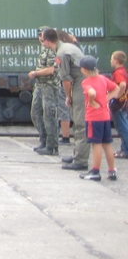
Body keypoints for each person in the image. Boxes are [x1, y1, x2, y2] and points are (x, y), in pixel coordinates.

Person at [41, 28, 89, 171]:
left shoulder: (61, 53)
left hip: (81, 84)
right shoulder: (68, 47)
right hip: (83, 81)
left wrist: (68, 96)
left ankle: (81, 161)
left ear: (47, 41)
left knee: (80, 123)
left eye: (42, 40)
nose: (42, 42)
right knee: (77, 121)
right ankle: (77, 155)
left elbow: (66, 80)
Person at [78, 55, 120, 181]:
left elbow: (91, 93)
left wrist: (91, 101)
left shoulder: (86, 82)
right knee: (107, 144)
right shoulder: (103, 78)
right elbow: (117, 89)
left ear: (84, 70)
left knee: (96, 144)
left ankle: (95, 171)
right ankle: (112, 171)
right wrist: (107, 98)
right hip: (105, 116)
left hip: (93, 117)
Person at [28, 28, 58, 155]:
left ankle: (52, 146)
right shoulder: (44, 49)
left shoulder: (52, 50)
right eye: (39, 35)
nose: (40, 38)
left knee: (49, 115)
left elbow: (51, 70)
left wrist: (35, 73)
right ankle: (43, 139)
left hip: (49, 86)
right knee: (35, 112)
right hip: (40, 85)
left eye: (42, 35)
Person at [109, 51, 128, 159]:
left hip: (119, 103)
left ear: (116, 61)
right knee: (124, 124)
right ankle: (124, 148)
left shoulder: (118, 72)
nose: (110, 60)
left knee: (122, 127)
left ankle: (126, 150)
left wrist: (117, 96)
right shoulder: (124, 71)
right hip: (124, 102)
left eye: (111, 58)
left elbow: (123, 85)